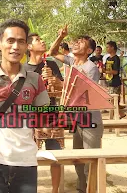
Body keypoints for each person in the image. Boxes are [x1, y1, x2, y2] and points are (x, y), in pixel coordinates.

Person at [0, 19, 50, 193]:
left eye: (21, 41)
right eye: (10, 41)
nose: (15, 47)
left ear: (27, 45)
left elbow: (44, 116)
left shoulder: (35, 80)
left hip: (25, 160)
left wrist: (46, 125)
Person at [49, 26, 103, 193]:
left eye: (81, 43)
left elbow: (84, 91)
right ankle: (82, 188)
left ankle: (92, 189)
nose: (77, 43)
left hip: (90, 121)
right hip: (77, 120)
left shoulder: (90, 68)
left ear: (89, 50)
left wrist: (60, 83)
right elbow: (52, 51)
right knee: (78, 159)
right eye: (76, 41)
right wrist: (60, 36)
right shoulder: (72, 62)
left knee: (90, 161)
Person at [24, 33, 63, 193]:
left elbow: (62, 89)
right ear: (29, 47)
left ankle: (55, 190)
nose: (43, 41)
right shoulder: (24, 69)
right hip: (31, 117)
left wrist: (55, 81)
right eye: (38, 40)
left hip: (52, 115)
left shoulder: (51, 64)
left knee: (56, 157)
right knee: (28, 158)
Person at [102, 41, 126, 118]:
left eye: (108, 47)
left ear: (112, 47)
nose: (107, 48)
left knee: (114, 100)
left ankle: (118, 114)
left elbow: (115, 72)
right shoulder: (108, 58)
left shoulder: (116, 58)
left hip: (115, 82)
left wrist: (105, 71)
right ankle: (119, 114)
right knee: (111, 100)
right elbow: (105, 69)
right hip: (109, 81)